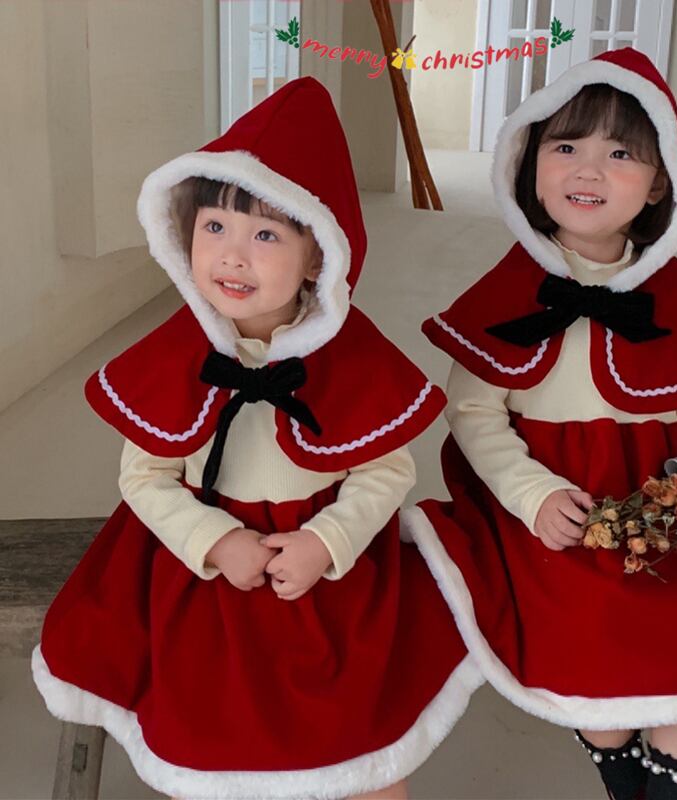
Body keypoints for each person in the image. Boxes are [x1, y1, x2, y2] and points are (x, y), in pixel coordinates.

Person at [31, 77, 481, 800]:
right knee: (212, 737)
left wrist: (327, 541)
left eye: (266, 234)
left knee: (359, 748)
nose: (233, 256)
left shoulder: (352, 358)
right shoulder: (176, 353)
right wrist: (214, 542)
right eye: (214, 227)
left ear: (318, 255)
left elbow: (384, 471)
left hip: (323, 574)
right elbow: (144, 476)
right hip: (205, 575)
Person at [403, 48, 677, 799]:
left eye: (620, 154)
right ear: (529, 165)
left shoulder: (675, 294)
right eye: (565, 147)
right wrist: (531, 494)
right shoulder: (507, 290)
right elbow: (475, 414)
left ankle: (674, 784)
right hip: (563, 504)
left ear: (659, 183)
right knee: (585, 642)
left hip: (662, 497)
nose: (588, 170)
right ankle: (617, 760)